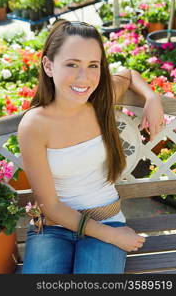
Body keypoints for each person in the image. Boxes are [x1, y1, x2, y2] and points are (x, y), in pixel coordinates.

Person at [18, 19, 164, 274]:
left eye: (93, 65)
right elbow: (50, 206)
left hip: (106, 216)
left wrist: (151, 98)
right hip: (52, 226)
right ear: (49, 65)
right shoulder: (34, 126)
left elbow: (128, 75)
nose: (83, 78)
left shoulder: (101, 100)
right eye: (72, 64)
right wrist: (112, 237)